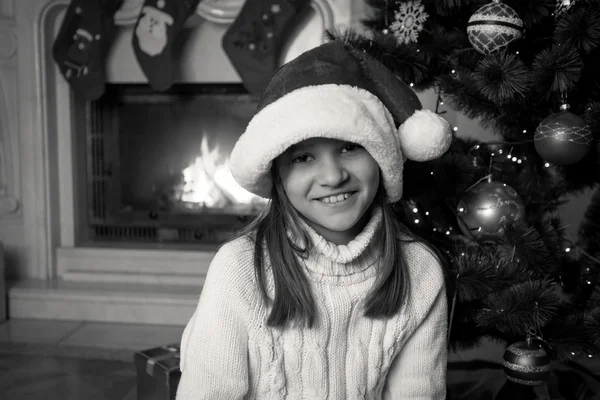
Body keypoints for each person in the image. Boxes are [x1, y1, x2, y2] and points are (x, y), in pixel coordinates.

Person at [176, 39, 453, 399]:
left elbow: (418, 393)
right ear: (279, 176)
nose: (333, 176)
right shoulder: (240, 268)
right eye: (304, 158)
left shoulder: (420, 268)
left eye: (349, 147)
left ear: (383, 157)